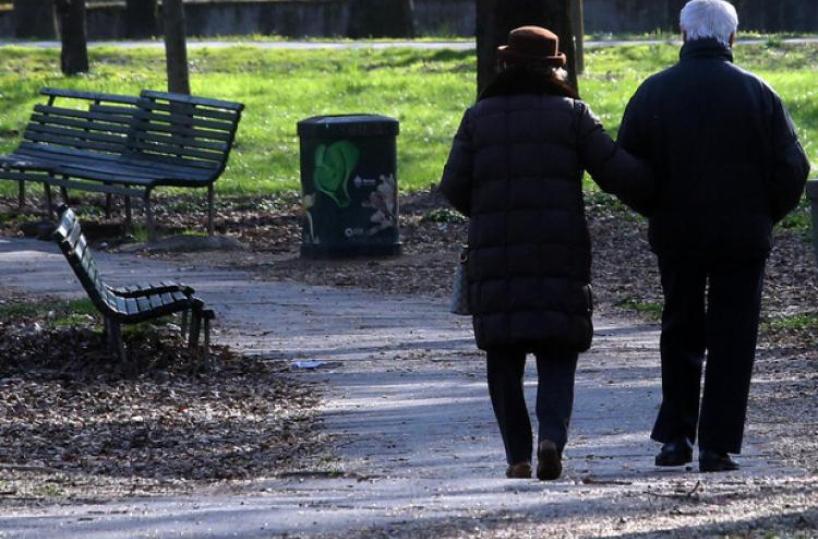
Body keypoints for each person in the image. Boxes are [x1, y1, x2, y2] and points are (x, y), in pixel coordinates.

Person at [440, 26, 653, 480]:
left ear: (506, 66)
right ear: (556, 67)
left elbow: (454, 185)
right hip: (560, 254)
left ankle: (517, 456)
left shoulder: (478, 116)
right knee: (558, 352)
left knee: (503, 361)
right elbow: (617, 173)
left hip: (496, 258)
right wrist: (666, 181)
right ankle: (551, 439)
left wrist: (489, 214)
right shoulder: (573, 114)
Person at [618, 0, 810, 472]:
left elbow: (624, 167)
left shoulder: (654, 91)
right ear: (732, 39)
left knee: (679, 326)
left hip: (678, 230)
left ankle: (675, 439)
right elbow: (794, 167)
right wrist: (766, 214)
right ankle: (717, 444)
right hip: (742, 234)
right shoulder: (758, 93)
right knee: (734, 335)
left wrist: (655, 207)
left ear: (682, 34)